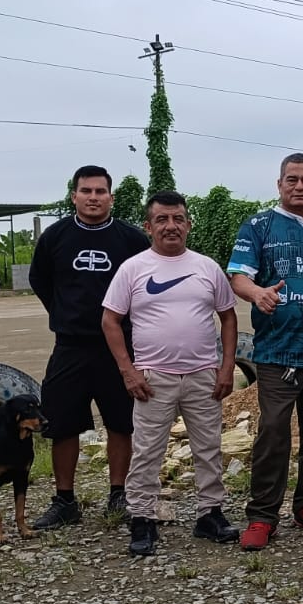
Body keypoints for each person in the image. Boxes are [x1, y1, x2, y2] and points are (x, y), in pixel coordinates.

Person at [101, 191, 239, 557]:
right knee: (147, 451)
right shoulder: (132, 269)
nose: (170, 226)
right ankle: (142, 519)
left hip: (203, 376)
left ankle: (210, 514)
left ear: (189, 224)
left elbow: (228, 317)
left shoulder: (207, 267)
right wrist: (128, 371)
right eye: (161, 219)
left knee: (209, 449)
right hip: (152, 379)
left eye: (178, 218)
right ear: (148, 227)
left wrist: (226, 367)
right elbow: (110, 321)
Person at [227, 154, 303, 551]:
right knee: (274, 432)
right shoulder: (259, 226)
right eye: (292, 179)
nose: (299, 186)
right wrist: (257, 293)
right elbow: (238, 276)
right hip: (277, 353)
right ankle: (262, 515)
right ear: (279, 184)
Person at [29, 165, 150, 530]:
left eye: (100, 191)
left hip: (119, 348)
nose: (93, 198)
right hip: (70, 346)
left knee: (122, 422)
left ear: (111, 197)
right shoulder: (55, 236)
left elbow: (146, 283)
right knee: (62, 424)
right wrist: (64, 313)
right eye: (86, 191)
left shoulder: (131, 239)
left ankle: (119, 495)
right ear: (74, 196)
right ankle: (65, 500)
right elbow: (41, 281)